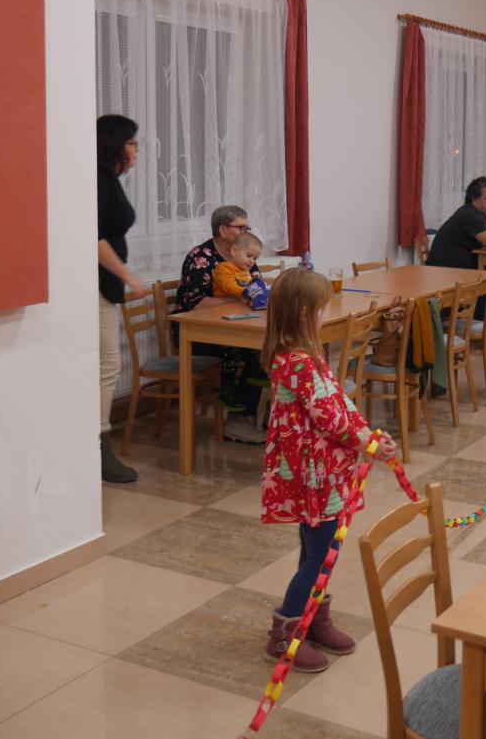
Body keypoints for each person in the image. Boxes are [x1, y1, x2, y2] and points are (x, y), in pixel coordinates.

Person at [260, 268, 397, 673]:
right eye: (322, 309)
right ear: (306, 313)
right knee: (319, 557)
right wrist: (368, 445)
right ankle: (284, 634)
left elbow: (339, 403)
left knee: (317, 552)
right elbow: (328, 419)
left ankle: (313, 621)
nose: (325, 314)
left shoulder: (310, 355)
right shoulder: (296, 362)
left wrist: (369, 434)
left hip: (326, 472)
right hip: (314, 475)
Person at [172, 205, 266, 442]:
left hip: (235, 324)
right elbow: (196, 303)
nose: (246, 231)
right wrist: (237, 300)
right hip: (195, 332)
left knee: (269, 345)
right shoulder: (200, 257)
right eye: (241, 227)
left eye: (247, 227)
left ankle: (268, 413)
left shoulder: (245, 254)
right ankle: (238, 422)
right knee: (248, 348)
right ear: (223, 230)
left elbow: (256, 288)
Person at [97, 114, 145, 484]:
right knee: (108, 366)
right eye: (131, 143)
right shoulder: (97, 181)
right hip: (95, 286)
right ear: (114, 145)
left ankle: (98, 444)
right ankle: (99, 446)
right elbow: (93, 238)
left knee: (106, 366)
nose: (136, 150)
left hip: (106, 287)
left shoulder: (109, 180)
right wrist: (128, 276)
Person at [426, 176, 486, 270]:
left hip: (456, 269)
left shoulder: (477, 214)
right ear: (474, 199)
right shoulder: (470, 215)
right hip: (445, 271)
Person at [212, 231, 264, 300]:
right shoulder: (223, 268)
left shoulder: (245, 270)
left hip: (240, 301)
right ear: (234, 250)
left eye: (255, 258)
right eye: (248, 256)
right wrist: (247, 292)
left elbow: (249, 285)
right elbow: (230, 287)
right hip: (224, 303)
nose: (252, 261)